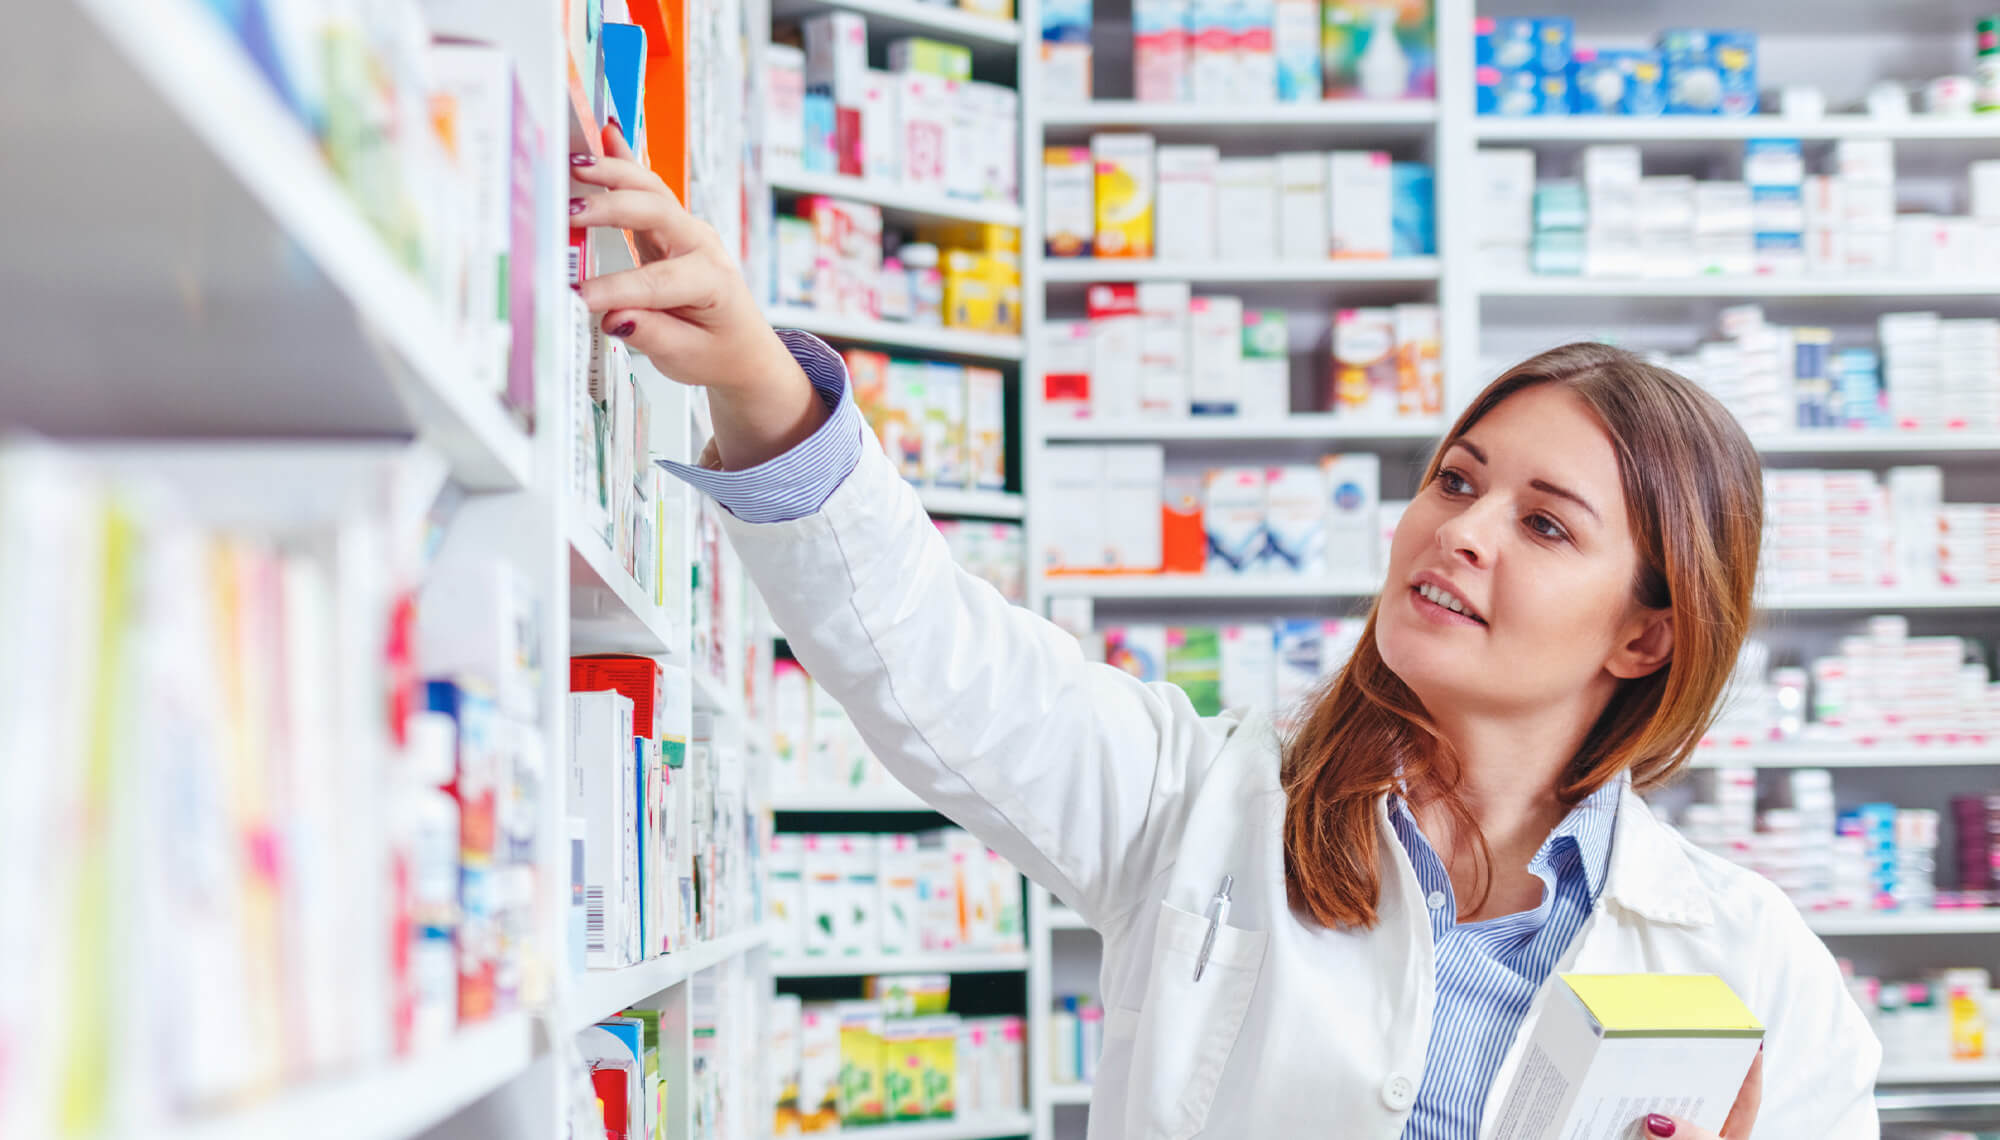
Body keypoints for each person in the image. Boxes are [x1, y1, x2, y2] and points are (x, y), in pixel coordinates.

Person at [568, 126, 1880, 1140]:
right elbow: (928, 650)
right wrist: (751, 371)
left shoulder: (1754, 967)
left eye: (1546, 526)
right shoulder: (1198, 800)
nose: (1461, 531)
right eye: (1460, 479)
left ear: (1647, 636)